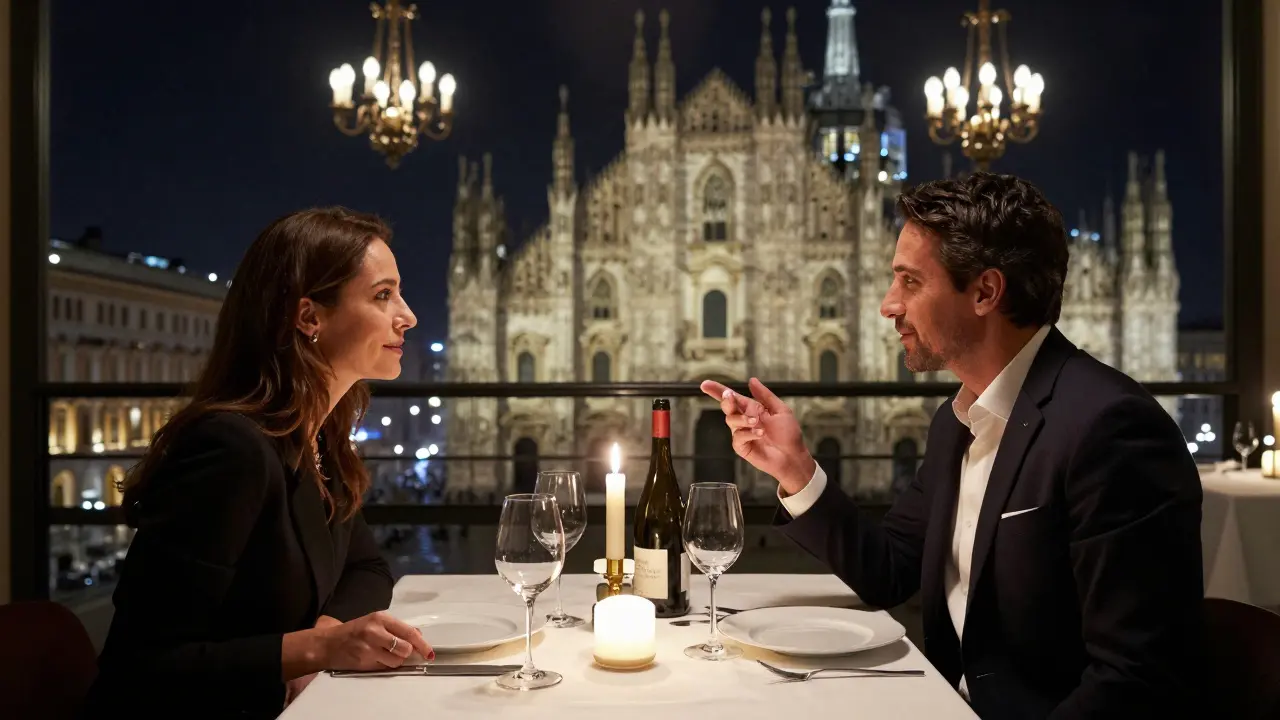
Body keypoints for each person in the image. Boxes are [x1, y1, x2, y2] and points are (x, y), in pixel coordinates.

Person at [702, 173, 1203, 719]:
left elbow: (1136, 678)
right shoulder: (957, 421)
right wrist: (797, 470)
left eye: (910, 282)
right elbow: (889, 569)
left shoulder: (1111, 429)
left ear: (985, 292)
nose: (888, 305)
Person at [85, 208, 434, 718]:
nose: (408, 315)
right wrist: (314, 650)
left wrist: (324, 636)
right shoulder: (231, 448)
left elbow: (367, 568)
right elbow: (142, 664)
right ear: (309, 317)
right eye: (383, 295)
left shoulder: (319, 436)